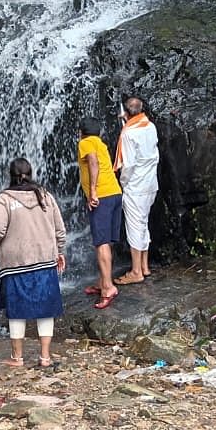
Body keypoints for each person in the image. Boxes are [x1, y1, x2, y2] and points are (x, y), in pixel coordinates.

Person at [0, 156, 66, 368]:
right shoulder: (45, 196)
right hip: (44, 259)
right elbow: (59, 227)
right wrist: (60, 251)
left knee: (16, 309)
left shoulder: (4, 199)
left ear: (10, 175)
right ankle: (45, 357)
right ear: (30, 173)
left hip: (15, 262)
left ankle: (17, 357)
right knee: (46, 308)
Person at [77, 116, 122, 309]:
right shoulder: (100, 143)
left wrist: (93, 192)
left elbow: (93, 162)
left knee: (101, 243)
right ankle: (103, 281)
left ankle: (108, 287)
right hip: (115, 193)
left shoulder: (85, 143)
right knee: (105, 242)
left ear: (81, 132)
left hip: (102, 196)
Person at [113, 96, 159, 285]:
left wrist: (123, 182)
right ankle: (145, 266)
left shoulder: (128, 133)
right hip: (151, 184)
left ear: (126, 113)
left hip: (135, 186)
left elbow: (129, 165)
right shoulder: (150, 126)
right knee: (143, 223)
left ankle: (136, 271)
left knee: (134, 227)